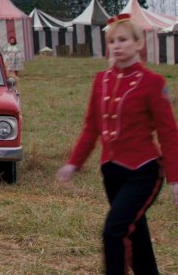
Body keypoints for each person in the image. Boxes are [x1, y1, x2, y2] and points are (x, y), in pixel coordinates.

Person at [56, 14, 178, 274]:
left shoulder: (153, 83)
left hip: (144, 172)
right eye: (112, 41)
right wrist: (73, 163)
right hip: (111, 172)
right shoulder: (101, 80)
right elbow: (92, 127)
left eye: (123, 40)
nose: (117, 46)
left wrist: (176, 180)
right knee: (136, 235)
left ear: (138, 43)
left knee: (114, 231)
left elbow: (169, 134)